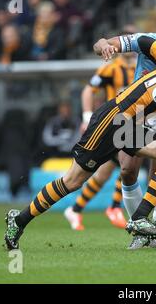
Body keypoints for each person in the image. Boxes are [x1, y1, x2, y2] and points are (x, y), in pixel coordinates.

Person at [4, 35, 156, 251]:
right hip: (111, 119)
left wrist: (110, 42)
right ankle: (20, 219)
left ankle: (139, 218)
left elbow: (144, 42)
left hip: (128, 126)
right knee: (72, 181)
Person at [91, 12, 156, 249]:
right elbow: (105, 42)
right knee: (127, 171)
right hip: (137, 116)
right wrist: (103, 46)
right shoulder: (147, 40)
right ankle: (139, 229)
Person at [64, 51, 136, 231]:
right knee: (127, 162)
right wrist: (86, 116)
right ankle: (114, 207)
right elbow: (88, 90)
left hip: (132, 121)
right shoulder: (110, 69)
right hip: (114, 123)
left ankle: (75, 209)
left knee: (104, 174)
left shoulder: (139, 67)